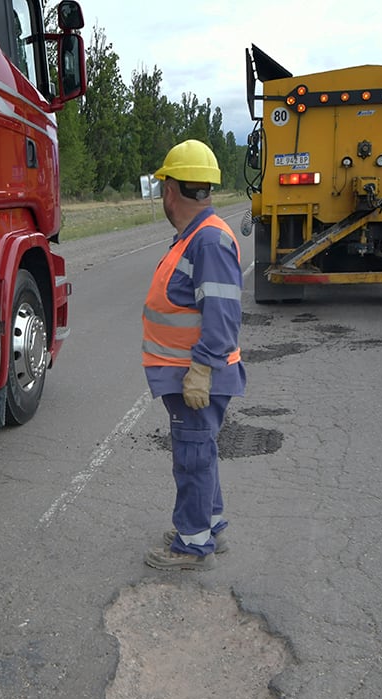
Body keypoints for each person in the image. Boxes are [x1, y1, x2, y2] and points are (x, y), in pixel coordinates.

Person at [141, 139, 246, 571]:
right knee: (200, 450)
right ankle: (209, 525)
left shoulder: (207, 242)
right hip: (188, 374)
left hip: (196, 376)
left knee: (192, 456)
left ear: (170, 190)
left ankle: (191, 543)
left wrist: (201, 370)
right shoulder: (196, 238)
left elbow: (221, 317)